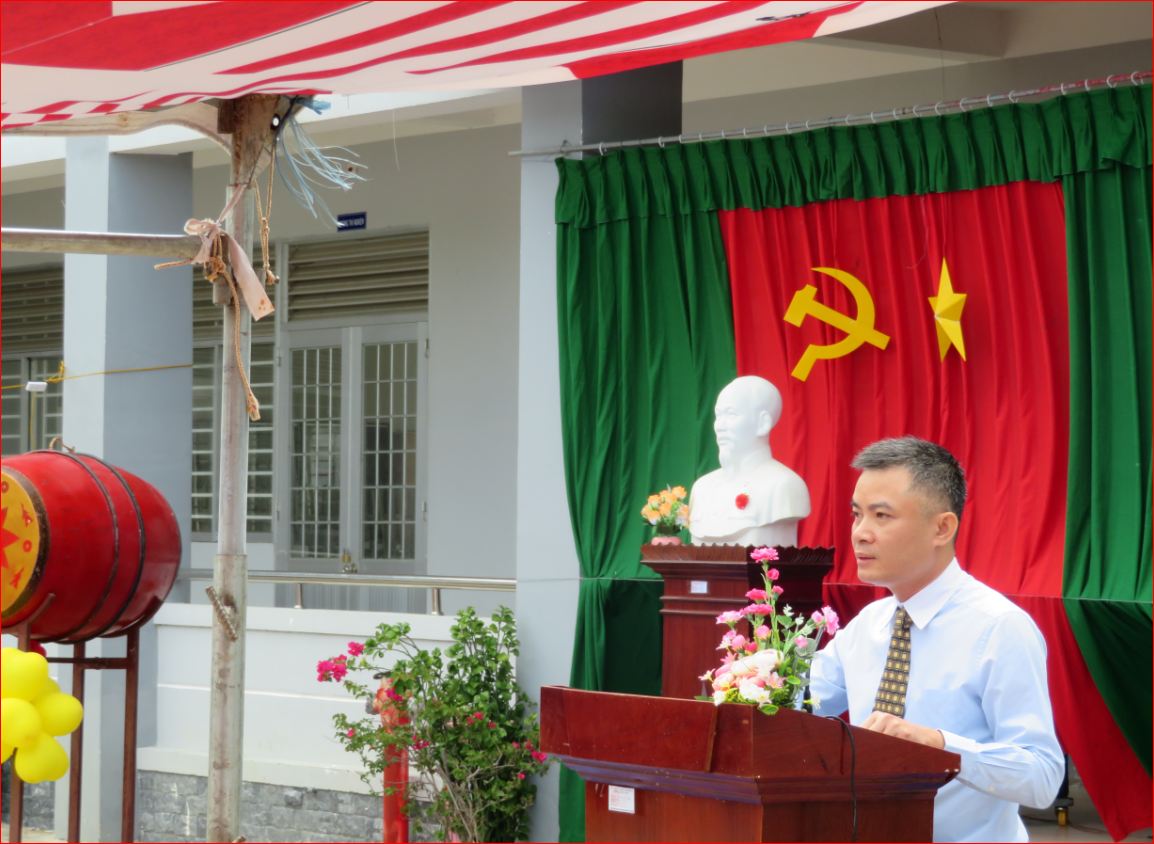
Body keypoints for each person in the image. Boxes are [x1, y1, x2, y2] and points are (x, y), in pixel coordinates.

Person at [810, 436, 1063, 843]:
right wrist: (749, 682)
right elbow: (798, 705)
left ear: (942, 528)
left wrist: (940, 746)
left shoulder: (999, 628)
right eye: (857, 514)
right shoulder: (867, 625)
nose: (860, 533)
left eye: (882, 516)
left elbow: (1042, 777)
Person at [689, 376, 810, 547]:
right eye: (718, 416)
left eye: (731, 414)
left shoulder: (784, 485)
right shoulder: (702, 488)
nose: (720, 426)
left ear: (763, 423)